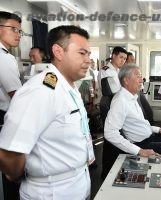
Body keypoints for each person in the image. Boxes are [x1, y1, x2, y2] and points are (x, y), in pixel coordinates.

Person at [0, 25, 94, 200]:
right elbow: (9, 153)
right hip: (51, 191)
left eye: (88, 54)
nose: (88, 60)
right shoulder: (40, 91)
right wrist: (16, 175)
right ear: (58, 51)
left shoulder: (69, 87)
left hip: (77, 184)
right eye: (82, 53)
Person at [104, 64, 161, 157]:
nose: (141, 80)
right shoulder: (120, 101)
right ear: (126, 80)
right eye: (138, 76)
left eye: (141, 76)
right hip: (143, 144)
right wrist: (139, 151)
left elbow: (140, 124)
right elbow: (110, 133)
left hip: (150, 135)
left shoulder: (131, 97)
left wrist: (159, 130)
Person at [0, 11, 23, 200]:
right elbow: (16, 95)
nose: (18, 34)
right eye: (13, 29)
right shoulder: (3, 57)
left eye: (20, 31)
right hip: (5, 117)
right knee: (11, 171)